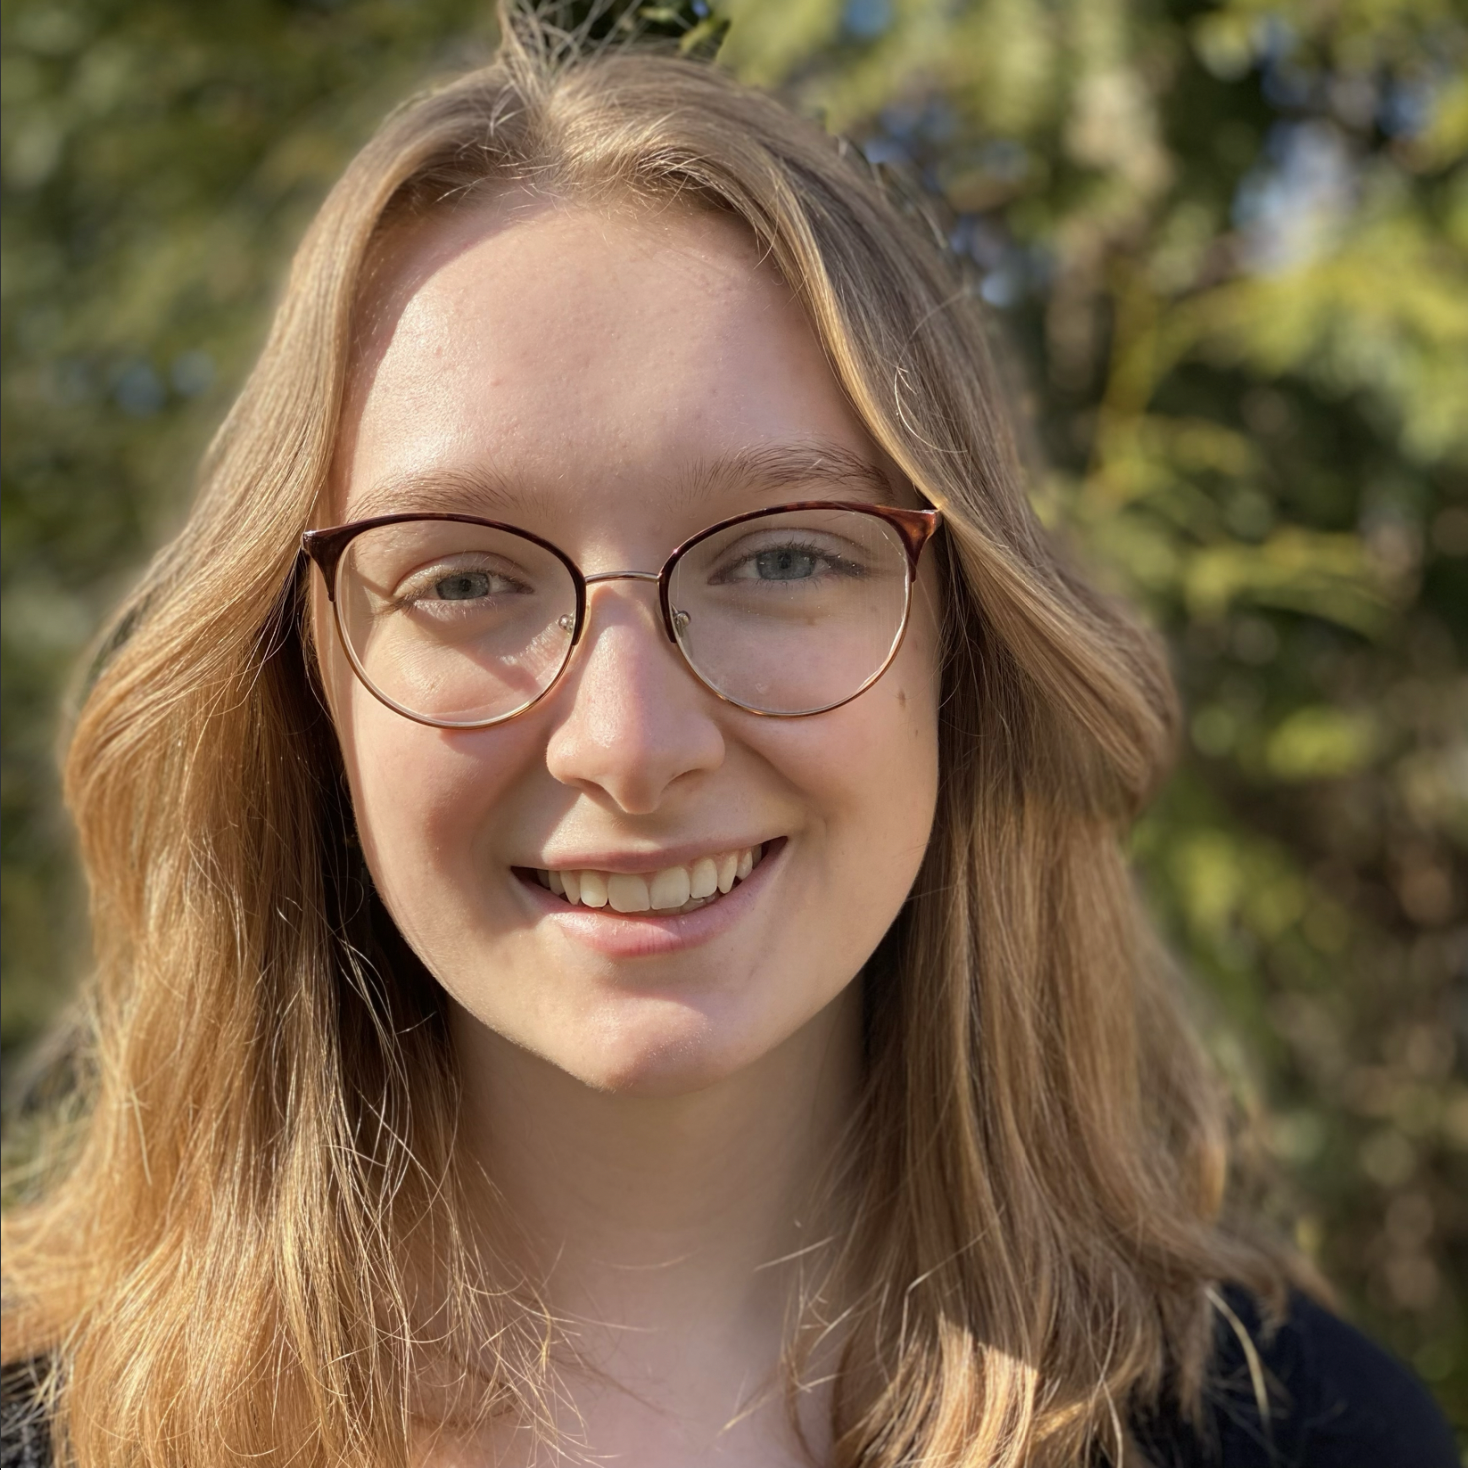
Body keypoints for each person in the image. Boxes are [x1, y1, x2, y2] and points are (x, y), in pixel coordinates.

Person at [0, 9, 1457, 1467]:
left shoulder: (1312, 1437)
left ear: (967, 646)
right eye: (460, 578)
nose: (629, 745)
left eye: (778, 557)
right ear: (304, 684)